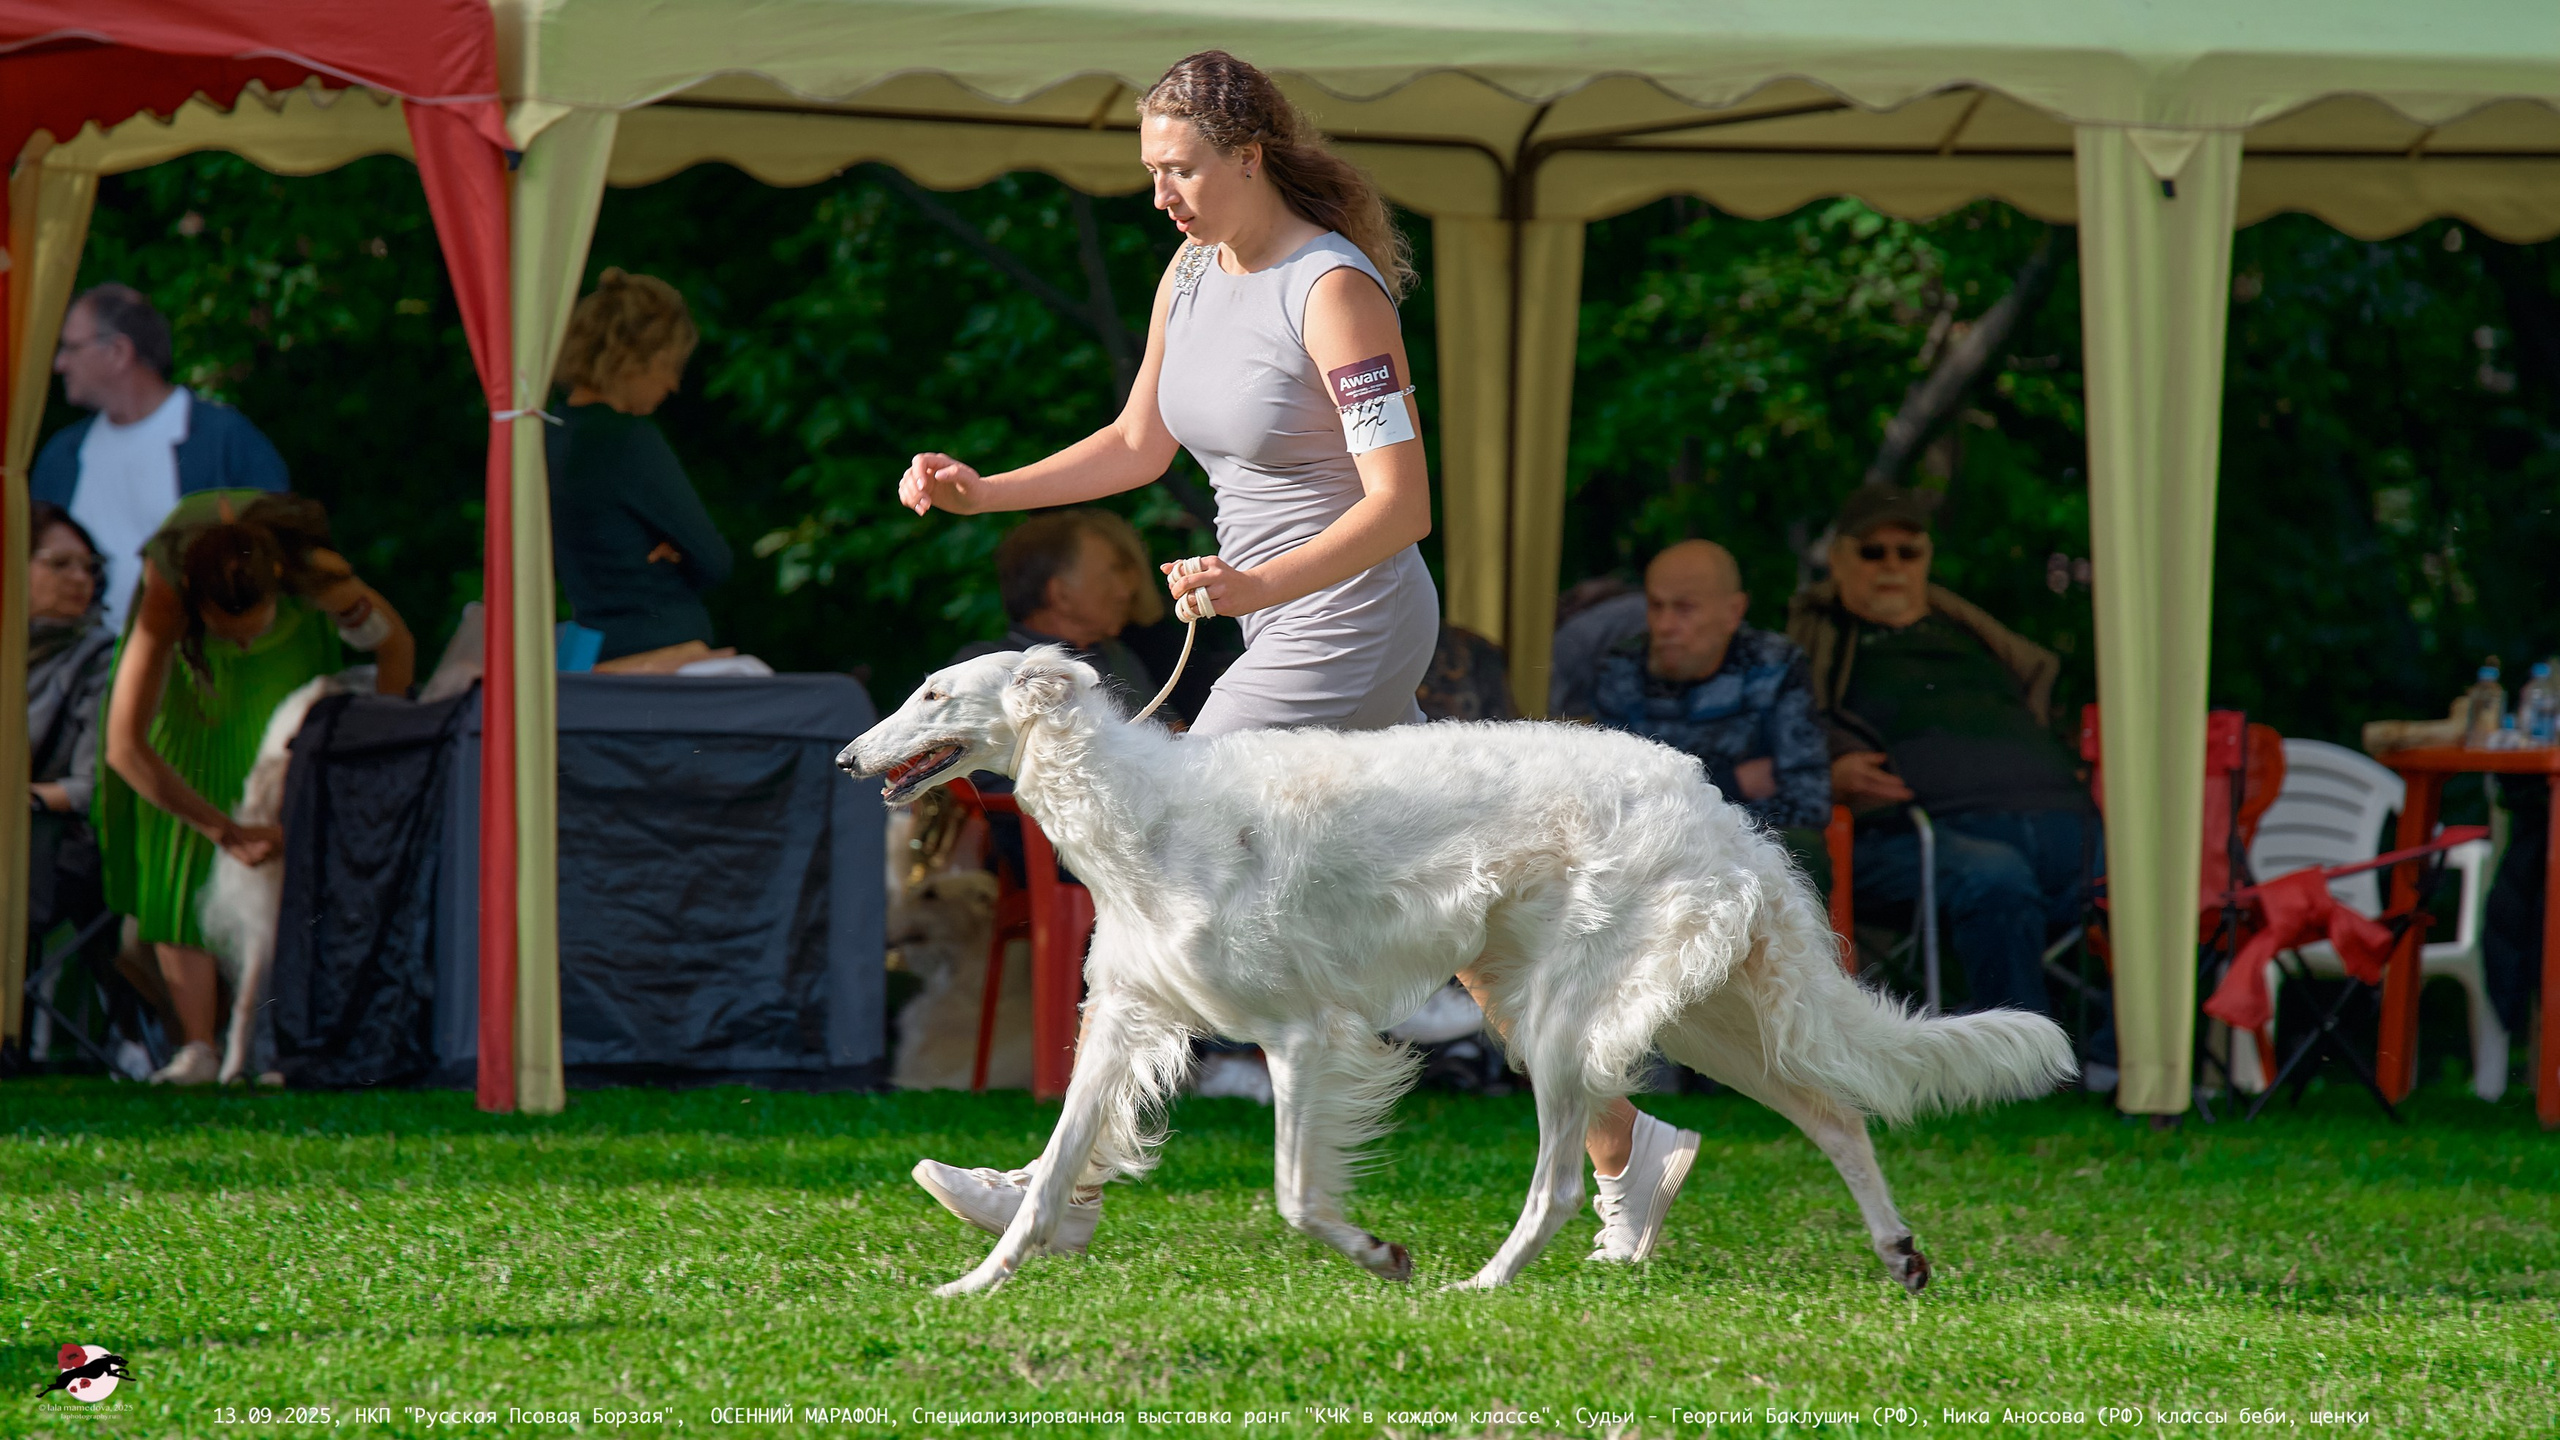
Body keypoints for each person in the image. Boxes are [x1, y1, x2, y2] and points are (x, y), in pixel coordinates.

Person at [95, 491, 413, 1084]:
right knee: (176, 845)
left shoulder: (317, 575)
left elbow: (394, 646)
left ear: (277, 588)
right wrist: (222, 829)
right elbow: (125, 747)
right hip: (191, 690)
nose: (240, 640)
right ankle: (197, 1046)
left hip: (284, 677)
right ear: (197, 607)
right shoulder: (166, 594)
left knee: (296, 849)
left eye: (251, 626)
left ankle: (281, 1033)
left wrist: (368, 755)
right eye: (226, 629)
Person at [1787, 485, 2098, 1029]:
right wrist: (1828, 771)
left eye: (1907, 553)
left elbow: (2048, 699)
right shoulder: (1819, 641)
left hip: (2061, 817)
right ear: (1837, 560)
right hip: (1917, 833)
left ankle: (2124, 1060)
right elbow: (1788, 728)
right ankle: (2019, 1070)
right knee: (1997, 878)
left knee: (2161, 877)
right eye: (1872, 551)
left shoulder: (1974, 634)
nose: (1891, 566)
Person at [34, 284, 289, 631]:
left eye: (72, 347)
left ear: (119, 351)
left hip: (201, 669)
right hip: (78, 674)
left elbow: (279, 556)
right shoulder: (62, 456)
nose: (59, 363)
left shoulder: (225, 441)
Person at [1558, 539, 1830, 831]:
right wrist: (1734, 781)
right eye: (1656, 606)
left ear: (1734, 611)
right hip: (1651, 851)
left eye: (1684, 608)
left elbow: (1808, 805)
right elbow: (1613, 800)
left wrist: (1669, 800)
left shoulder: (1775, 667)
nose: (1664, 625)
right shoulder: (1622, 668)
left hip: (1749, 852)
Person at [547, 269, 736, 672]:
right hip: (656, 652)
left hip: (586, 647)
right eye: (669, 366)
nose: (672, 385)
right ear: (634, 359)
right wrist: (677, 552)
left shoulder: (547, 433)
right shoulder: (624, 438)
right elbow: (715, 560)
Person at [952, 510, 1164, 716]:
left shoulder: (1118, 656)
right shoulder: (988, 669)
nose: (1125, 592)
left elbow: (1173, 734)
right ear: (1060, 594)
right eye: (1106, 579)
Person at [26, 503, 117, 939]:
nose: (82, 579)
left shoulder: (101, 662)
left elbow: (95, 784)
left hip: (47, 853)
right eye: (60, 564)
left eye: (90, 567)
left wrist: (24, 799)